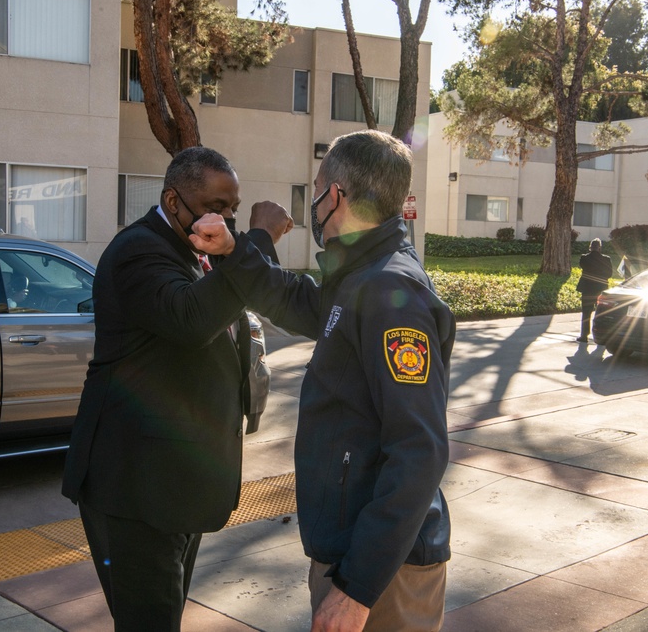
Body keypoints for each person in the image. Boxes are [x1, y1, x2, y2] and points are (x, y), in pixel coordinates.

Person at [192, 130, 454, 631]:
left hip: (382, 573)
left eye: (315, 188)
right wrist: (233, 249)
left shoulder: (386, 289)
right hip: (357, 554)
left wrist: (356, 589)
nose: (311, 202)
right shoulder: (360, 278)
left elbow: (419, 450)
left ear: (334, 195)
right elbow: (296, 301)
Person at [60, 147, 291, 631]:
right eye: (216, 205)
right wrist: (257, 242)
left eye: (232, 208)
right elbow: (191, 319)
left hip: (175, 484)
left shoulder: (192, 252)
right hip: (136, 488)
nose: (226, 217)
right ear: (172, 199)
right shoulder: (138, 251)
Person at [575, 238, 612, 343]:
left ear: (590, 247)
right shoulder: (606, 259)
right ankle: (602, 336)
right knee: (601, 313)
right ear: (600, 248)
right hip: (600, 289)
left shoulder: (584, 258)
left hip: (587, 289)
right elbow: (609, 274)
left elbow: (583, 266)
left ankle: (584, 335)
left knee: (586, 313)